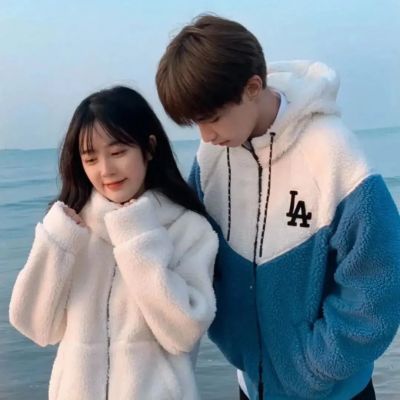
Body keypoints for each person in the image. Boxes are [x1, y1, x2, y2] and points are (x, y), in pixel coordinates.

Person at [156, 14, 400, 400]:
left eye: (213, 119)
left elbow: (380, 279)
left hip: (333, 392)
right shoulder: (213, 157)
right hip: (251, 385)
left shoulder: (332, 152)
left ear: (253, 87)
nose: (206, 135)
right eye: (195, 124)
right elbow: (193, 246)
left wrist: (317, 366)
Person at [9, 86, 218, 400]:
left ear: (149, 148)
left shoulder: (188, 229)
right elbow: (35, 326)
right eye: (91, 158)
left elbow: (183, 333)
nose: (105, 170)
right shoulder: (72, 229)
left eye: (118, 152)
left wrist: (136, 236)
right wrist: (56, 242)